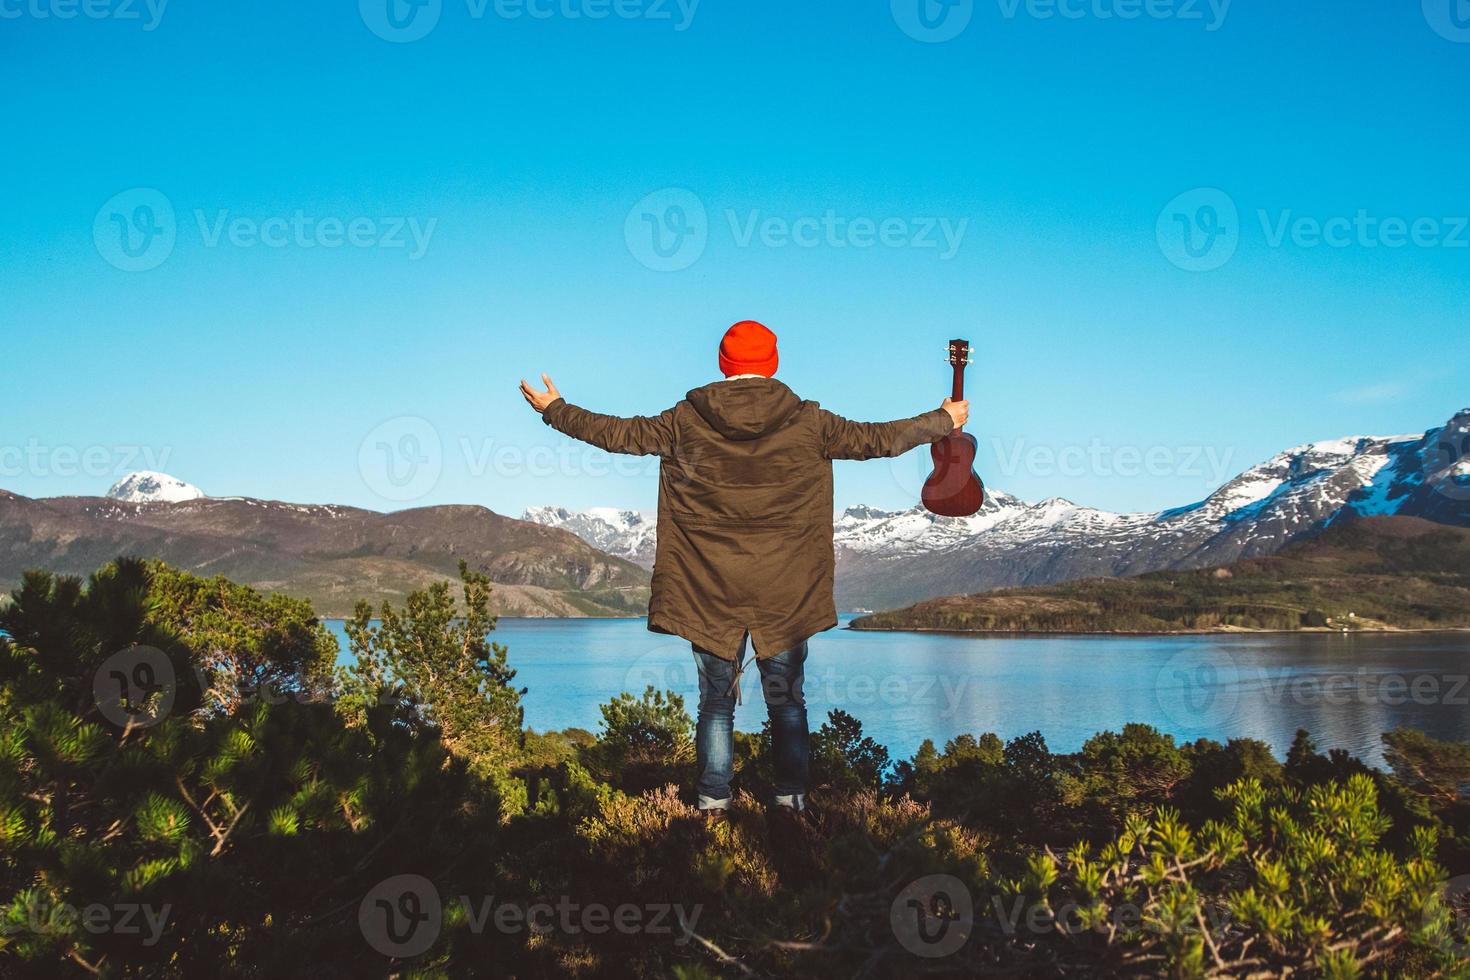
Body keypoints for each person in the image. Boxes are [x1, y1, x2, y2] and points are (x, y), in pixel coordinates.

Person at [519, 320, 968, 823]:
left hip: (708, 589)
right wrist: (942, 420)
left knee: (715, 703)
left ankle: (713, 805)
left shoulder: (685, 421)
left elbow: (618, 435)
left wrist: (556, 411)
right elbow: (879, 440)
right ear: (773, 365)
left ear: (723, 364)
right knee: (787, 702)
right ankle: (791, 803)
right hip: (787, 592)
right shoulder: (810, 422)